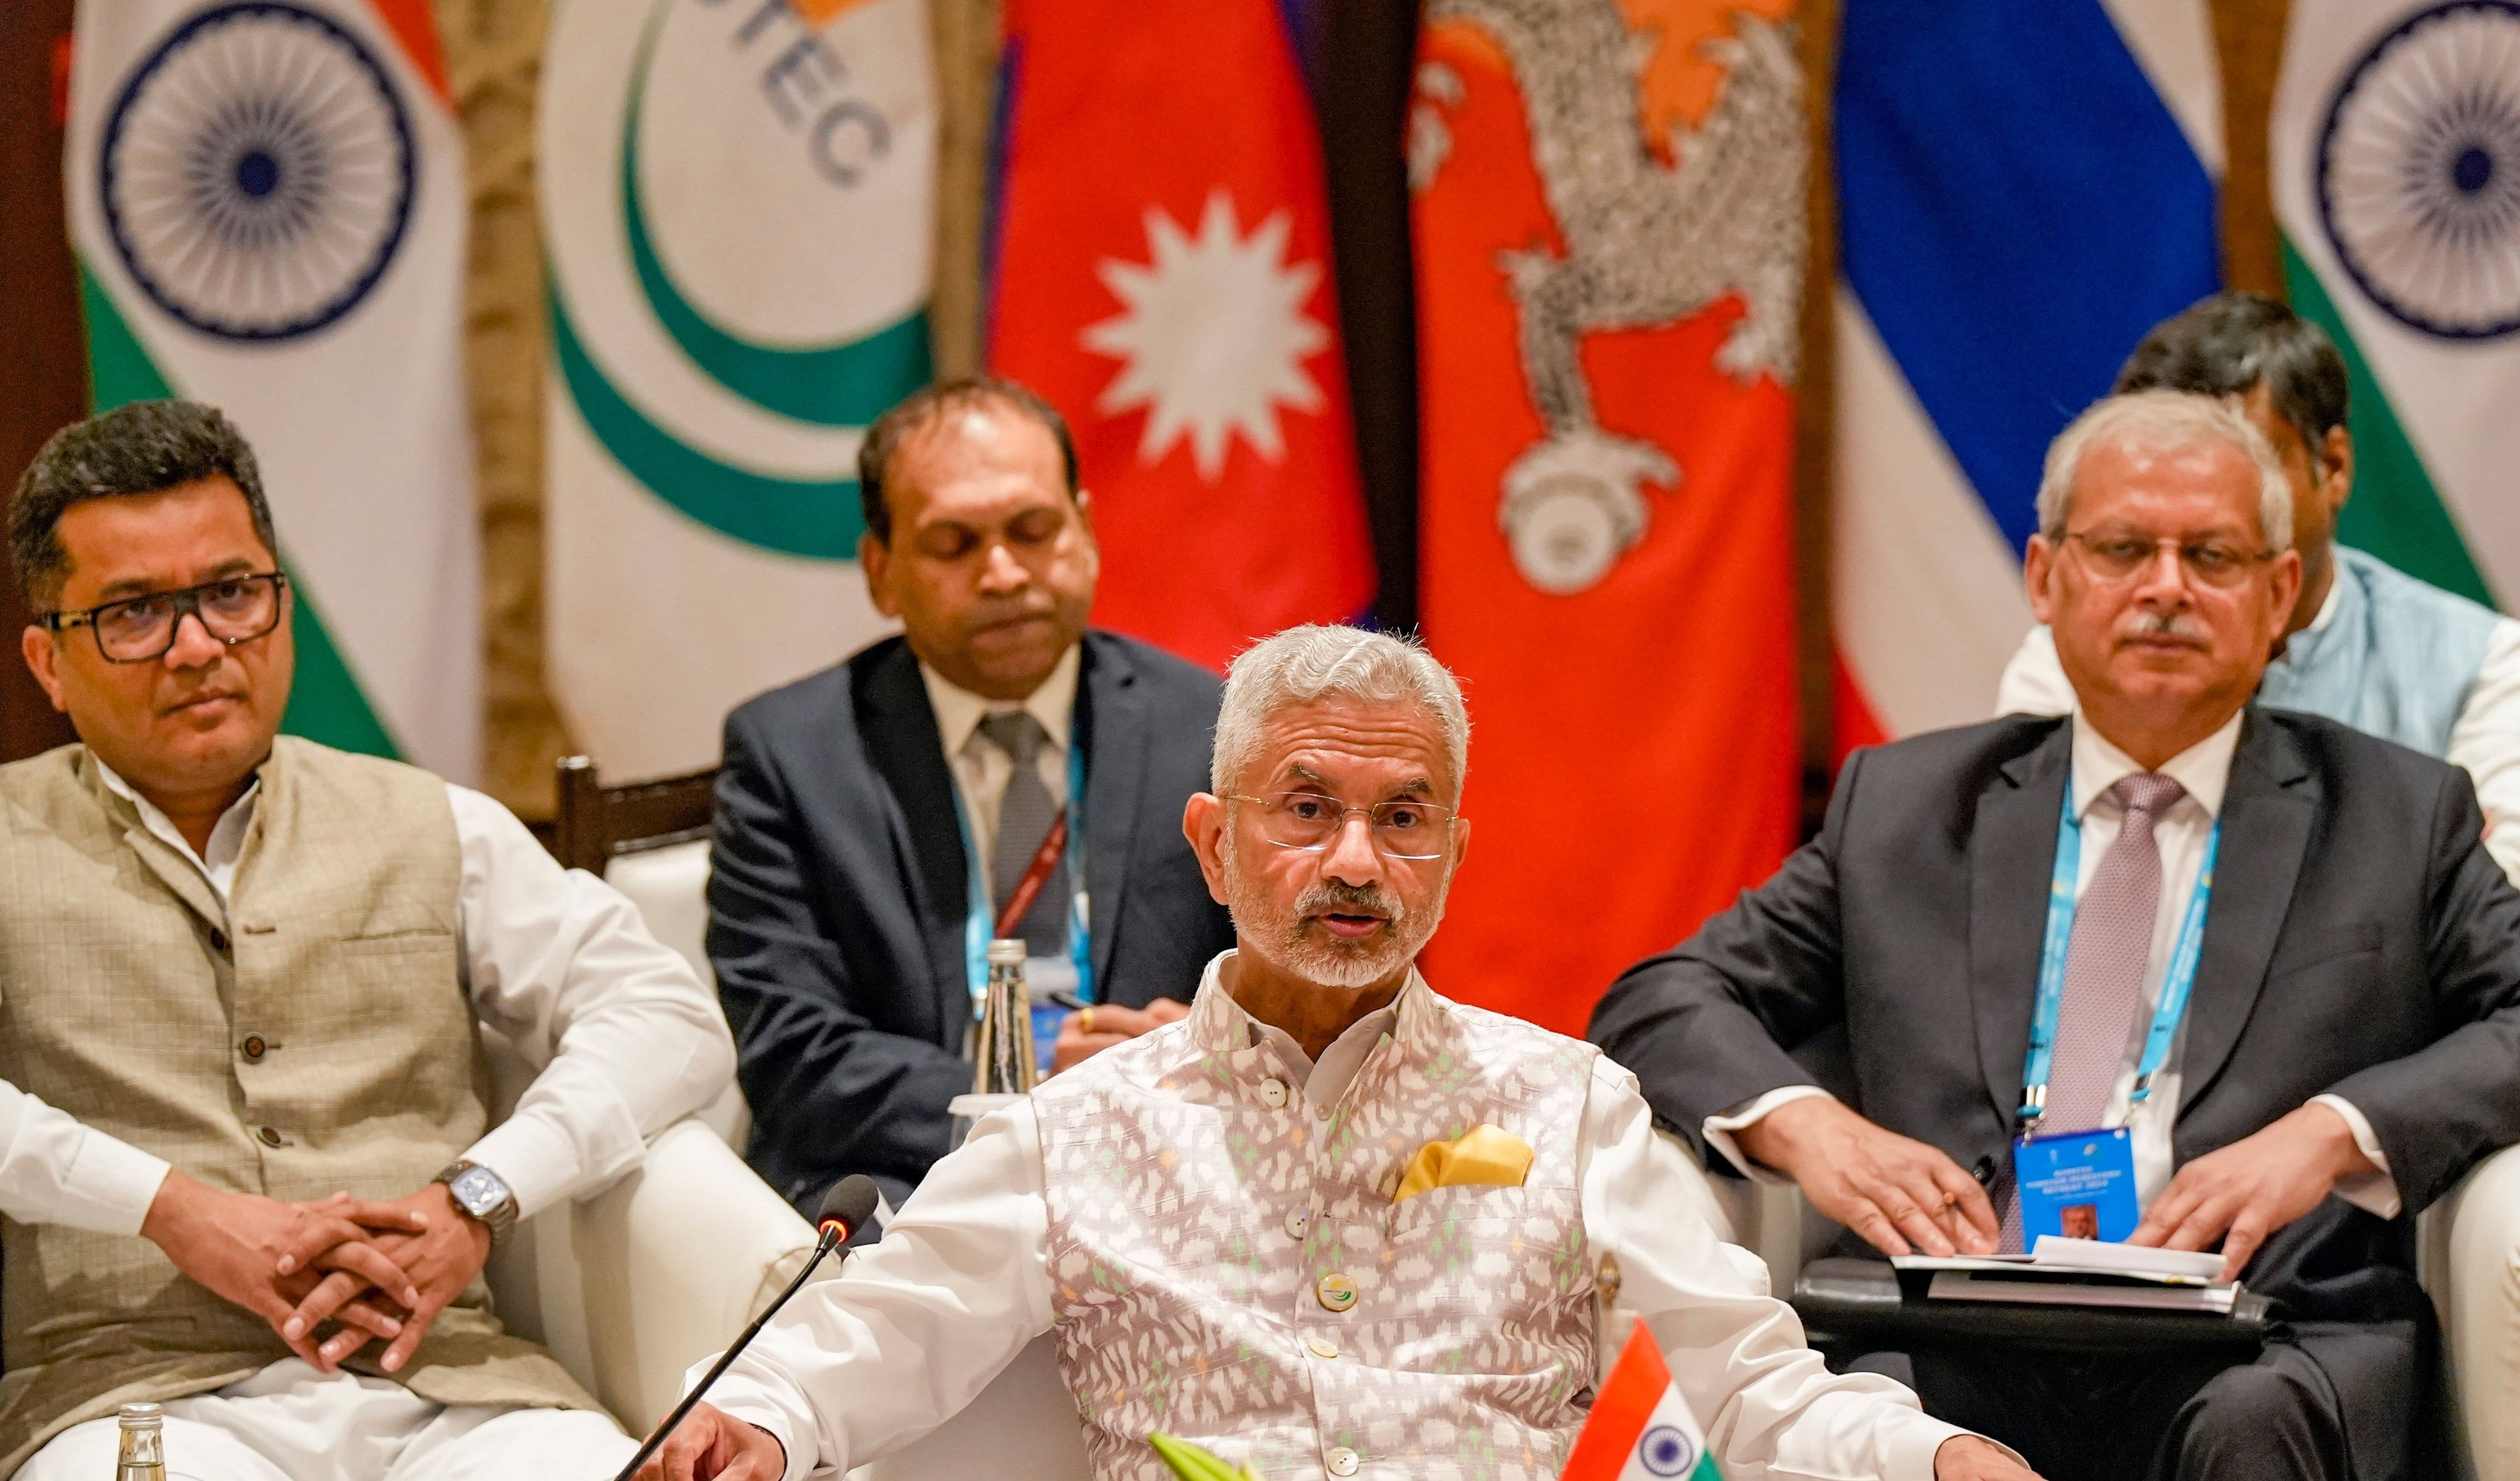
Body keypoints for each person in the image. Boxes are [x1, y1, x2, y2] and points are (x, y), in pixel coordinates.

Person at [642, 625, 2040, 1481]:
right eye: (1303, 807)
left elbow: (1747, 1384)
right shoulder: (1075, 1129)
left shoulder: (1568, 1110)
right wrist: (753, 1424)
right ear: (1212, 841)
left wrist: (1938, 1452)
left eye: (1404, 816)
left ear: (1453, 855)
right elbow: (871, 1339)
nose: (1355, 861)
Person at [1593, 390, 2520, 1481]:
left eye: (2210, 555)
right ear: (2043, 577)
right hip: (1946, 1319)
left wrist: (2328, 1132)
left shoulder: (2395, 814)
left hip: (2258, 1328)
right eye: (2123, 547)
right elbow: (1660, 998)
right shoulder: (1905, 805)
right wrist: (1815, 1132)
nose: (2163, 588)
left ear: (2276, 594)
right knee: (1874, 1422)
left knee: (2251, 1428)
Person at [0, 402, 736, 1480]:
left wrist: (476, 1200)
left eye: (232, 594)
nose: (198, 648)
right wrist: (169, 1210)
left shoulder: (433, 819)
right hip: (137, 1403)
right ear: (48, 663)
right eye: (135, 612)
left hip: (457, 1393)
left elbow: (667, 1016)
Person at [708, 377, 1231, 1214]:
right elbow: (791, 1052)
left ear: (1086, 532)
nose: (1002, 572)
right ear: (882, 572)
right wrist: (1031, 1098)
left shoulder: (1210, 726)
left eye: (1034, 530)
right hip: (907, 1176)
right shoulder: (793, 755)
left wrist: (1218, 1046)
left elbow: (1301, 987)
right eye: (953, 543)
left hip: (1169, 1159)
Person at [1998, 291, 2520, 881]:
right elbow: (2031, 887)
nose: (2170, 583)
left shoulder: (2485, 666)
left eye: (2245, 467)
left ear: (2336, 468)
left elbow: (2490, 934)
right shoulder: (2077, 656)